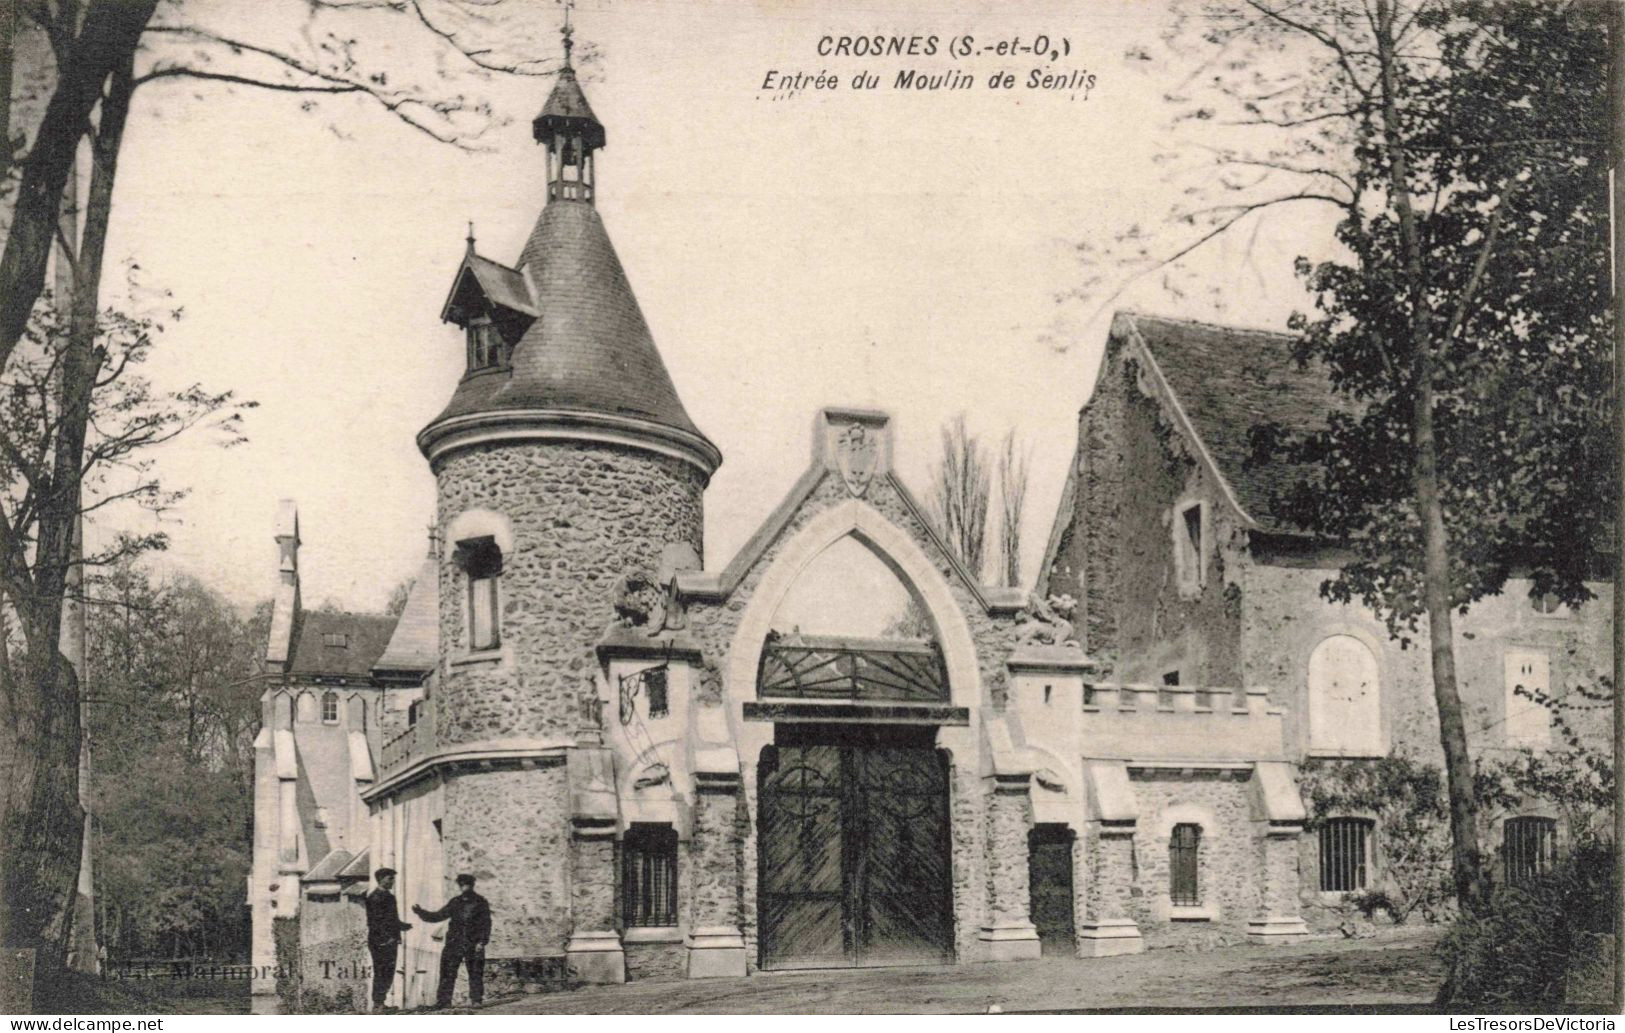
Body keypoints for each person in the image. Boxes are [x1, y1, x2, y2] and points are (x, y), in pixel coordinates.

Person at [413, 873, 491, 1008]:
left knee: (475, 972)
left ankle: (476, 1000)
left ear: (472, 885)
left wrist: (482, 942)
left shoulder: (480, 902)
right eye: (462, 884)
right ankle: (444, 1001)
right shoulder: (455, 902)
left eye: (467, 884)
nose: (464, 887)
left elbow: (486, 923)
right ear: (459, 886)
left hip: (473, 941)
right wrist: (421, 912)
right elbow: (438, 916)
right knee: (447, 971)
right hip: (454, 941)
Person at [364, 867, 412, 1012]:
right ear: (381, 879)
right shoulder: (375, 897)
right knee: (382, 971)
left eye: (393, 878)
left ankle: (380, 1003)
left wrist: (402, 927)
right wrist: (386, 939)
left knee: (388, 972)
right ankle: (378, 1004)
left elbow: (392, 920)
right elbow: (376, 922)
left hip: (389, 940)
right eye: (390, 878)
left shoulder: (388, 896)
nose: (392, 881)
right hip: (381, 941)